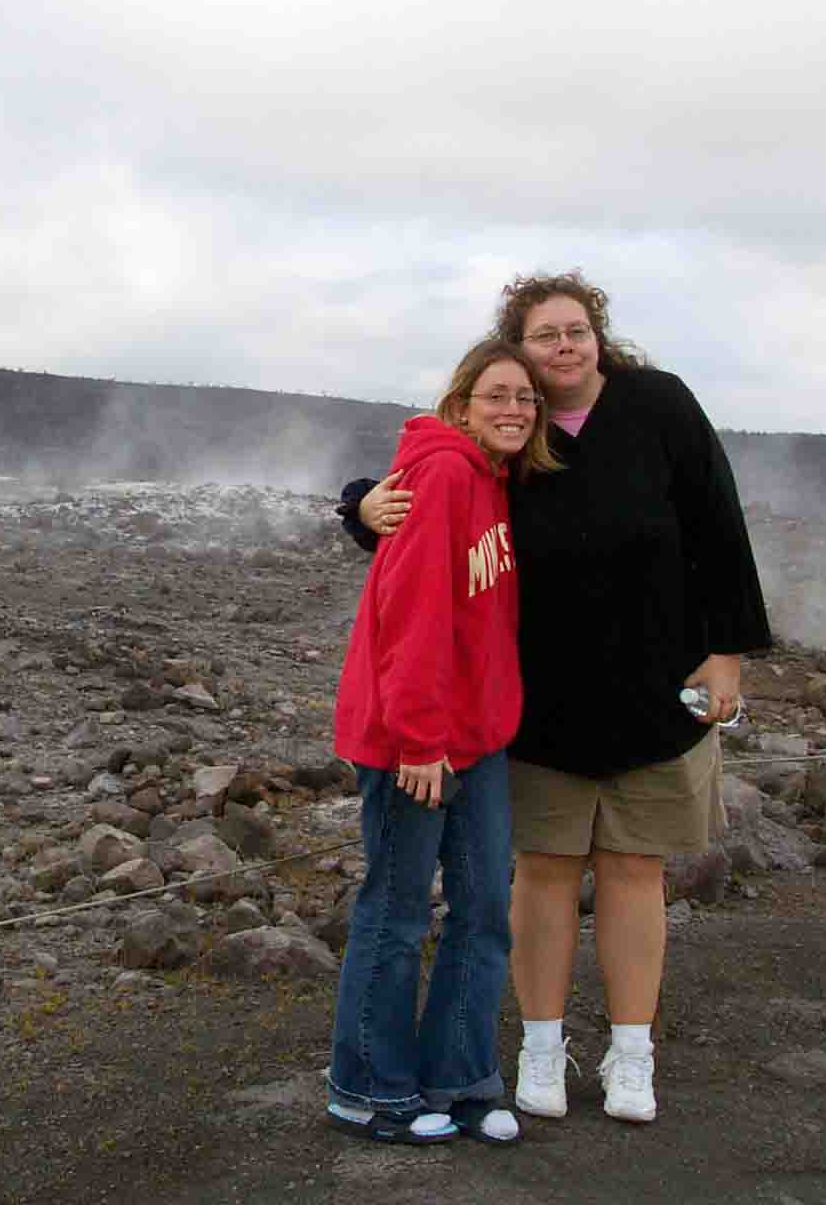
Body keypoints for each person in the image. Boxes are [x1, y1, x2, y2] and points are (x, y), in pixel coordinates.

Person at [338, 271, 770, 1126]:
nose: (565, 346)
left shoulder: (659, 406)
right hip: (535, 705)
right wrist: (361, 507)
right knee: (538, 873)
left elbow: (720, 522)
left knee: (634, 868)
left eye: (577, 330)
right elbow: (428, 493)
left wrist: (729, 653)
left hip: (655, 691)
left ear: (598, 335)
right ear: (518, 354)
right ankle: (538, 1047)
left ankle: (631, 1053)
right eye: (546, 336)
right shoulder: (512, 438)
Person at [326, 340, 559, 1147]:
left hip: (476, 739)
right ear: (461, 404)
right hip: (412, 745)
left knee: (484, 909)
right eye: (497, 395)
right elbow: (414, 616)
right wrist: (420, 741)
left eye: (525, 398)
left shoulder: (494, 480)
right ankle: (368, 1088)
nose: (513, 409)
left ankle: (459, 1079)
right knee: (396, 915)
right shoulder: (446, 475)